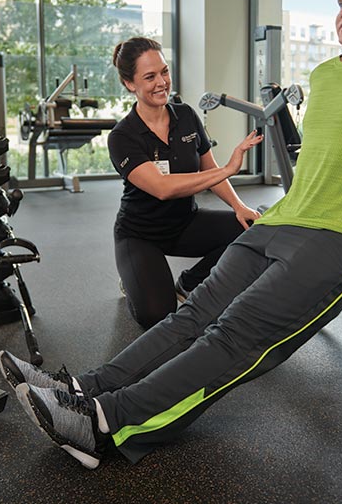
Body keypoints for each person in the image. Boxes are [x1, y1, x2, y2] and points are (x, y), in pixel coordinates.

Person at [0, 0, 342, 470]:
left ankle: (103, 422)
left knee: (233, 335)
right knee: (191, 316)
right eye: (340, 1)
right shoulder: (324, 75)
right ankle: (84, 386)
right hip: (281, 221)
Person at [107, 37, 263, 328]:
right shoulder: (122, 136)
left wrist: (239, 206)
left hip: (185, 223)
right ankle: (134, 282)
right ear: (130, 84)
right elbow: (163, 188)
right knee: (158, 316)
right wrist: (230, 168)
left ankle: (189, 282)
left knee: (250, 230)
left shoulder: (187, 116)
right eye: (150, 77)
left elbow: (209, 169)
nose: (161, 82)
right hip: (140, 234)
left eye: (164, 72)